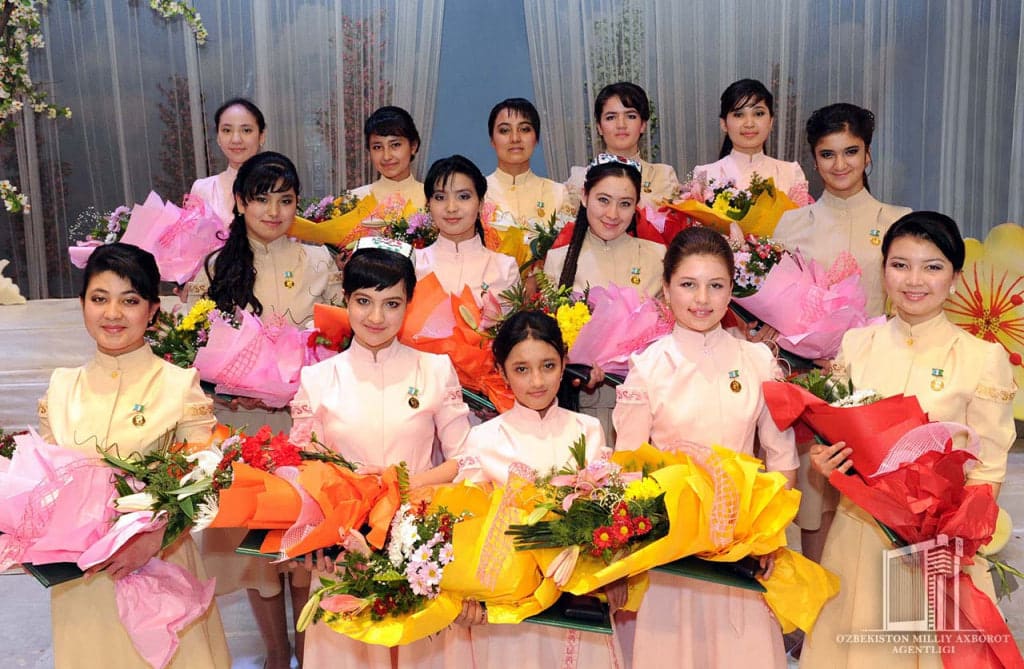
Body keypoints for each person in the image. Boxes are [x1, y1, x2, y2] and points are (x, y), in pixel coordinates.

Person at [802, 212, 1017, 668]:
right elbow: (832, 434)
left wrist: (953, 538)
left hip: (936, 548)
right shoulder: (857, 345)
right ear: (883, 271)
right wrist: (823, 462)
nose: (914, 280)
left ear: (954, 278)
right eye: (900, 265)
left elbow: (988, 467)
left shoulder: (981, 358)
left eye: (932, 267)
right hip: (859, 535)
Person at [38, 243, 231, 668]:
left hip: (161, 569)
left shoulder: (179, 385)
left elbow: (206, 480)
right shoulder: (62, 387)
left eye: (129, 301)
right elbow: (43, 481)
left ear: (153, 311)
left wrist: (154, 539)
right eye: (99, 298)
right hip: (81, 583)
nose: (112, 314)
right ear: (82, 304)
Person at [613, 226, 798, 669]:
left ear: (732, 290)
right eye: (688, 285)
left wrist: (766, 536)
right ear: (666, 289)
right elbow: (629, 471)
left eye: (716, 286)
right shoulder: (647, 368)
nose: (702, 299)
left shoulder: (757, 361)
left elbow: (782, 460)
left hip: (742, 547)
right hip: (671, 553)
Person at [290, 240, 473, 668]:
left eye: (391, 303)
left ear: (409, 304)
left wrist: (401, 485)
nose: (376, 317)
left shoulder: (435, 369)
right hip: (344, 547)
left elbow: (465, 459)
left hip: (420, 545)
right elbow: (303, 470)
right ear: (345, 300)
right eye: (363, 301)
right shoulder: (318, 379)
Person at [198, 151, 341, 669]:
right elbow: (195, 341)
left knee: (302, 543)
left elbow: (339, 335)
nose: (274, 211)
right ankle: (275, 653)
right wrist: (220, 383)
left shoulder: (320, 261)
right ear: (240, 202)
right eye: (261, 199)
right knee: (255, 549)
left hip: (305, 423)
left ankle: (309, 651)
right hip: (242, 423)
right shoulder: (216, 266)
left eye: (285, 200)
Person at [772, 103, 912, 563]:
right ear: (814, 160)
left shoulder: (900, 222)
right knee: (816, 506)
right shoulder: (792, 225)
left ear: (868, 155)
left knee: (878, 505)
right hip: (812, 383)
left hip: (880, 383)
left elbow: (909, 303)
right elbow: (778, 307)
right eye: (827, 154)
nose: (840, 164)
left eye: (851, 152)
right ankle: (818, 601)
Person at [454, 310, 624, 668]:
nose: (536, 381)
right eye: (521, 369)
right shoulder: (483, 439)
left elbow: (611, 515)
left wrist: (616, 572)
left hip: (579, 603)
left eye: (547, 366)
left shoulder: (588, 429)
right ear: (501, 372)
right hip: (509, 613)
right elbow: (466, 528)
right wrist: (465, 597)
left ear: (564, 363)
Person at [415, 155, 520, 307]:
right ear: (428, 204)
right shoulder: (413, 264)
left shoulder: (505, 269)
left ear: (480, 204)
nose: (451, 208)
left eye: (463, 197)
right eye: (440, 197)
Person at [564, 82, 681, 209]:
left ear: (642, 125)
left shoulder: (664, 176)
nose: (621, 125)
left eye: (631, 116)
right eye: (611, 117)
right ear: (599, 128)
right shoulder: (580, 179)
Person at [693, 79, 810, 202]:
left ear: (771, 121)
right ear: (724, 124)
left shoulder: (791, 173)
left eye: (758, 114)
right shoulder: (705, 175)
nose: (749, 124)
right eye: (739, 115)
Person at [484, 97, 569, 229]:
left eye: (524, 129)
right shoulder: (479, 193)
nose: (515, 138)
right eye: (505, 130)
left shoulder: (558, 193)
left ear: (536, 138)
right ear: (492, 140)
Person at [190, 98, 266, 227]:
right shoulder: (203, 189)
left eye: (246, 130)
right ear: (218, 138)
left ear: (261, 136)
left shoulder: (279, 186)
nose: (236, 139)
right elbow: (189, 235)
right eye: (227, 130)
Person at [350, 106, 426, 210]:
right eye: (377, 147)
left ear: (413, 146)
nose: (386, 156)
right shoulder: (354, 199)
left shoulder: (431, 199)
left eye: (395, 145)